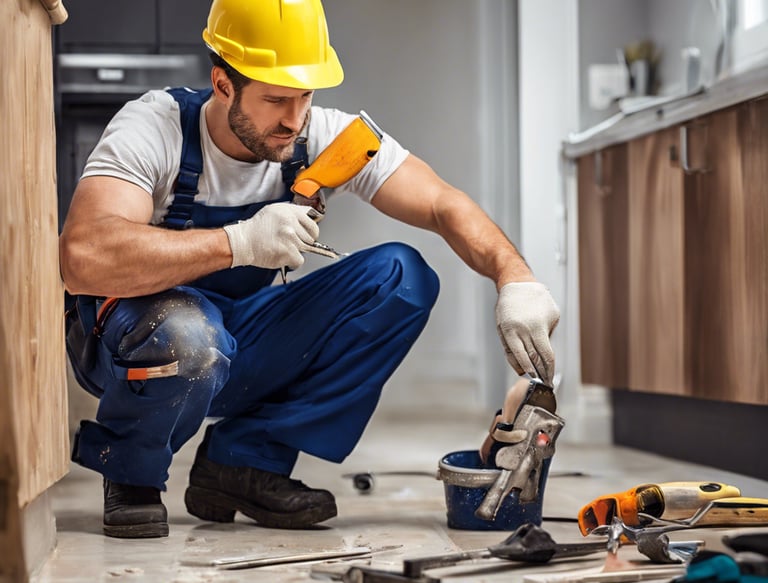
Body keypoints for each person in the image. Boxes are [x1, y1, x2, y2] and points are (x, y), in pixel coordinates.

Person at [59, 0, 560, 539]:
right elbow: (83, 258)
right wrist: (239, 241)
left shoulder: (320, 137)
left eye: (305, 97)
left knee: (402, 277)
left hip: (234, 340)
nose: (294, 120)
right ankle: (131, 473)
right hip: (136, 343)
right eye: (275, 99)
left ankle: (243, 463)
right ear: (223, 83)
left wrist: (515, 278)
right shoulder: (155, 126)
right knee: (189, 332)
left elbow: (441, 203)